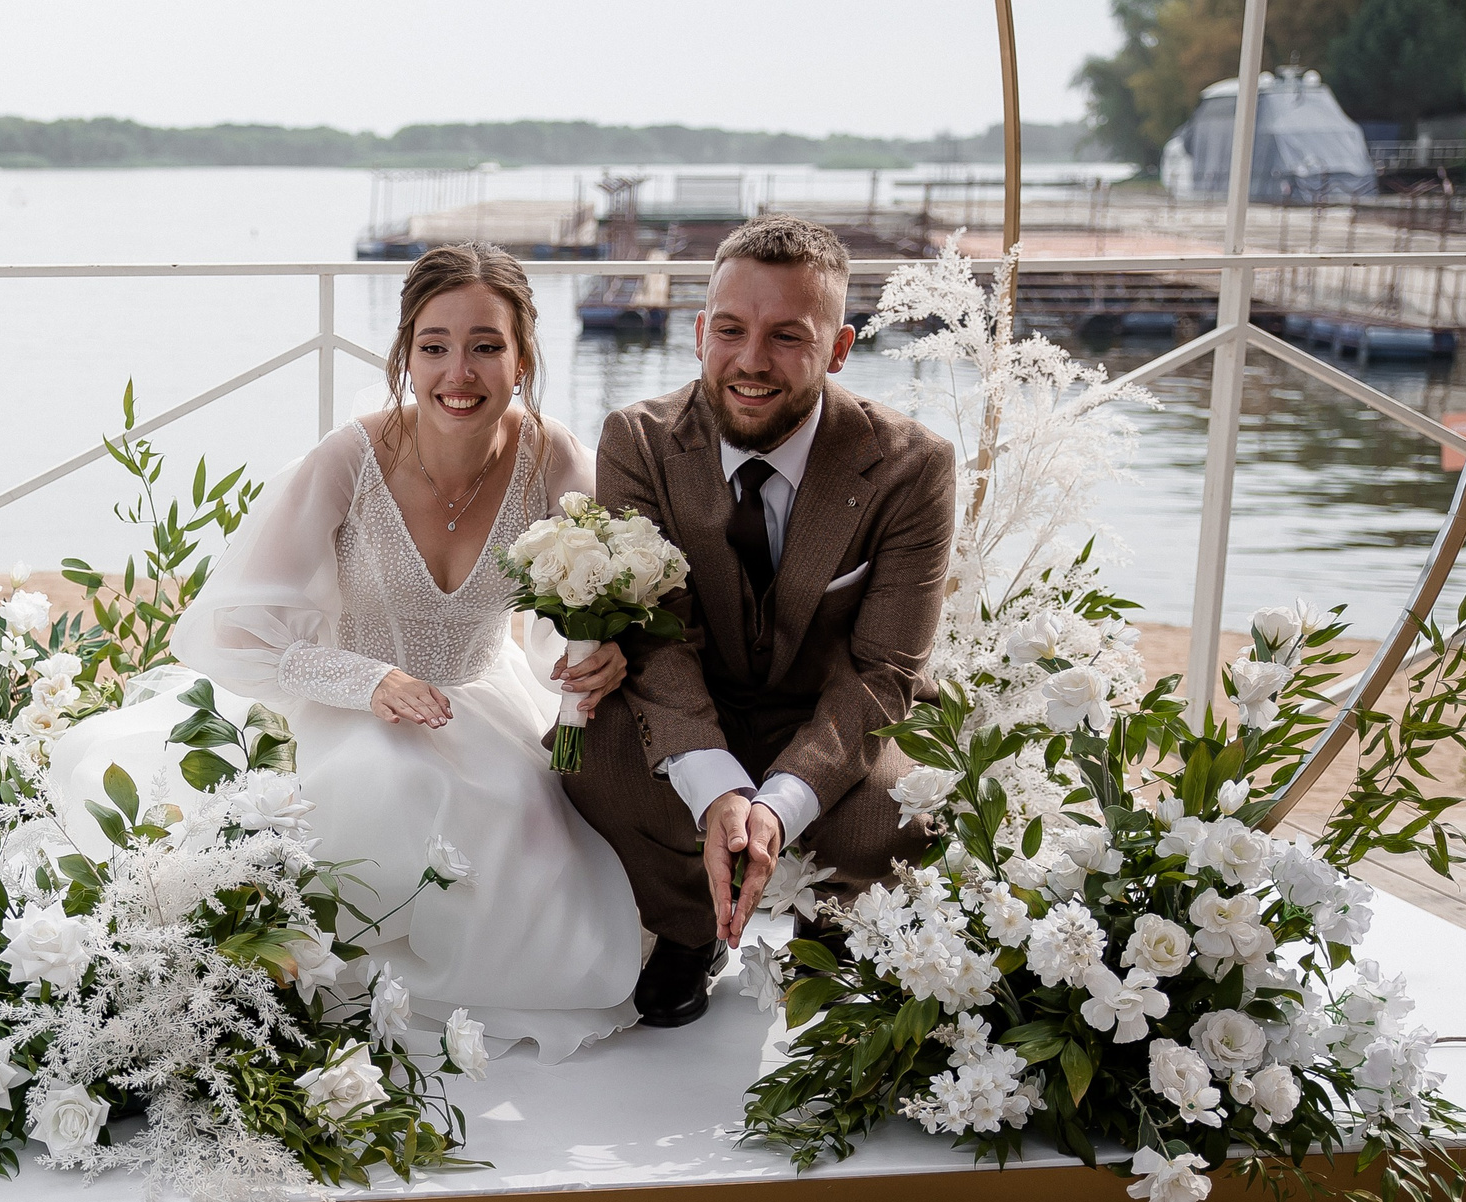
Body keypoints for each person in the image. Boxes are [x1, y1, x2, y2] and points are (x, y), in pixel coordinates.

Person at [59, 243, 643, 1062]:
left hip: (485, 698)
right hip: (352, 697)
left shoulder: (556, 460)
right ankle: (330, 978)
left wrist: (597, 658)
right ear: (405, 352)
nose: (458, 373)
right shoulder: (351, 458)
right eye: (434, 346)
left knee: (526, 829)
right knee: (389, 783)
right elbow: (232, 629)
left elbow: (575, 610)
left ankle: (472, 983)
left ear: (523, 356)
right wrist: (364, 680)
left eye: (485, 345)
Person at [564, 215, 955, 1028]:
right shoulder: (636, 441)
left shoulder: (914, 465)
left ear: (840, 349)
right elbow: (653, 636)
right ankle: (686, 927)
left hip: (830, 714)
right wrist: (717, 790)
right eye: (732, 331)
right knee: (585, 760)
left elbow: (885, 672)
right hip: (694, 703)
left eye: (787, 337)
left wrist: (777, 803)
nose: (750, 361)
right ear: (701, 332)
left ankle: (835, 927)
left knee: (903, 808)